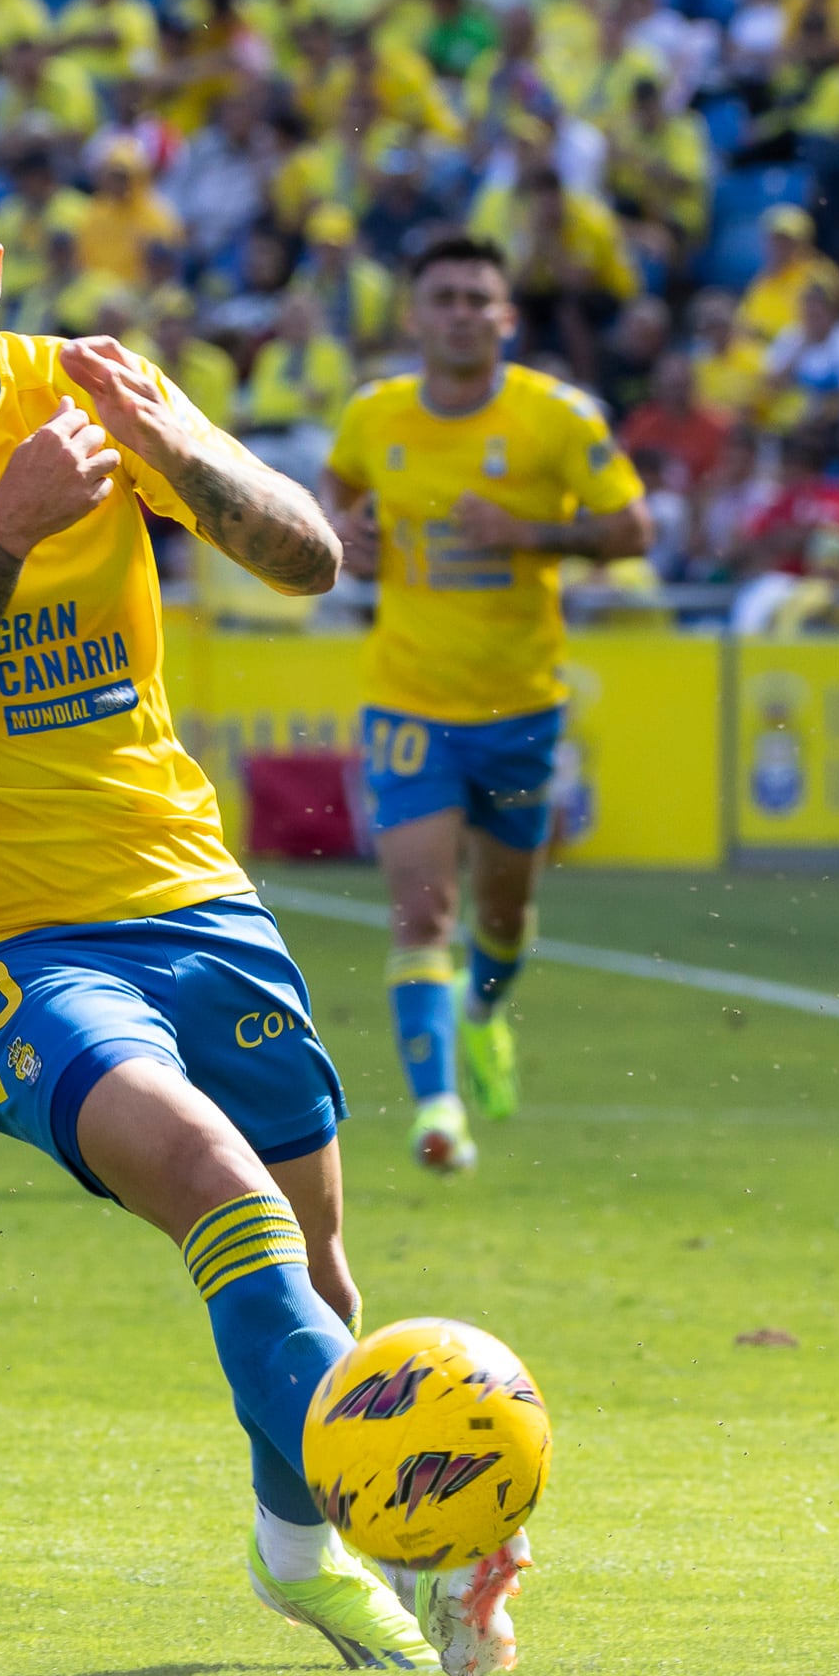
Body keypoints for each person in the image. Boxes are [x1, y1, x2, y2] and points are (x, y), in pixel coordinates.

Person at [0, 142, 532, 1676]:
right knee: (213, 1184)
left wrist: (177, 446)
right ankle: (430, 1532)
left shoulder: (86, 382)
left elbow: (307, 558)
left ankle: (292, 1547)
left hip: (186, 889)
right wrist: (10, 520)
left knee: (316, 1264)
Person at [317, 235, 654, 1174]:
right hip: (409, 703)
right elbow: (339, 486)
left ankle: (483, 1014)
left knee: (502, 918)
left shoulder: (554, 418)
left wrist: (532, 533)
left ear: (505, 319)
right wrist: (346, 530)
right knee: (423, 913)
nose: (461, 312)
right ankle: (437, 1109)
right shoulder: (375, 416)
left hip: (520, 711)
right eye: (444, 297)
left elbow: (634, 526)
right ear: (415, 315)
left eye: (478, 298)